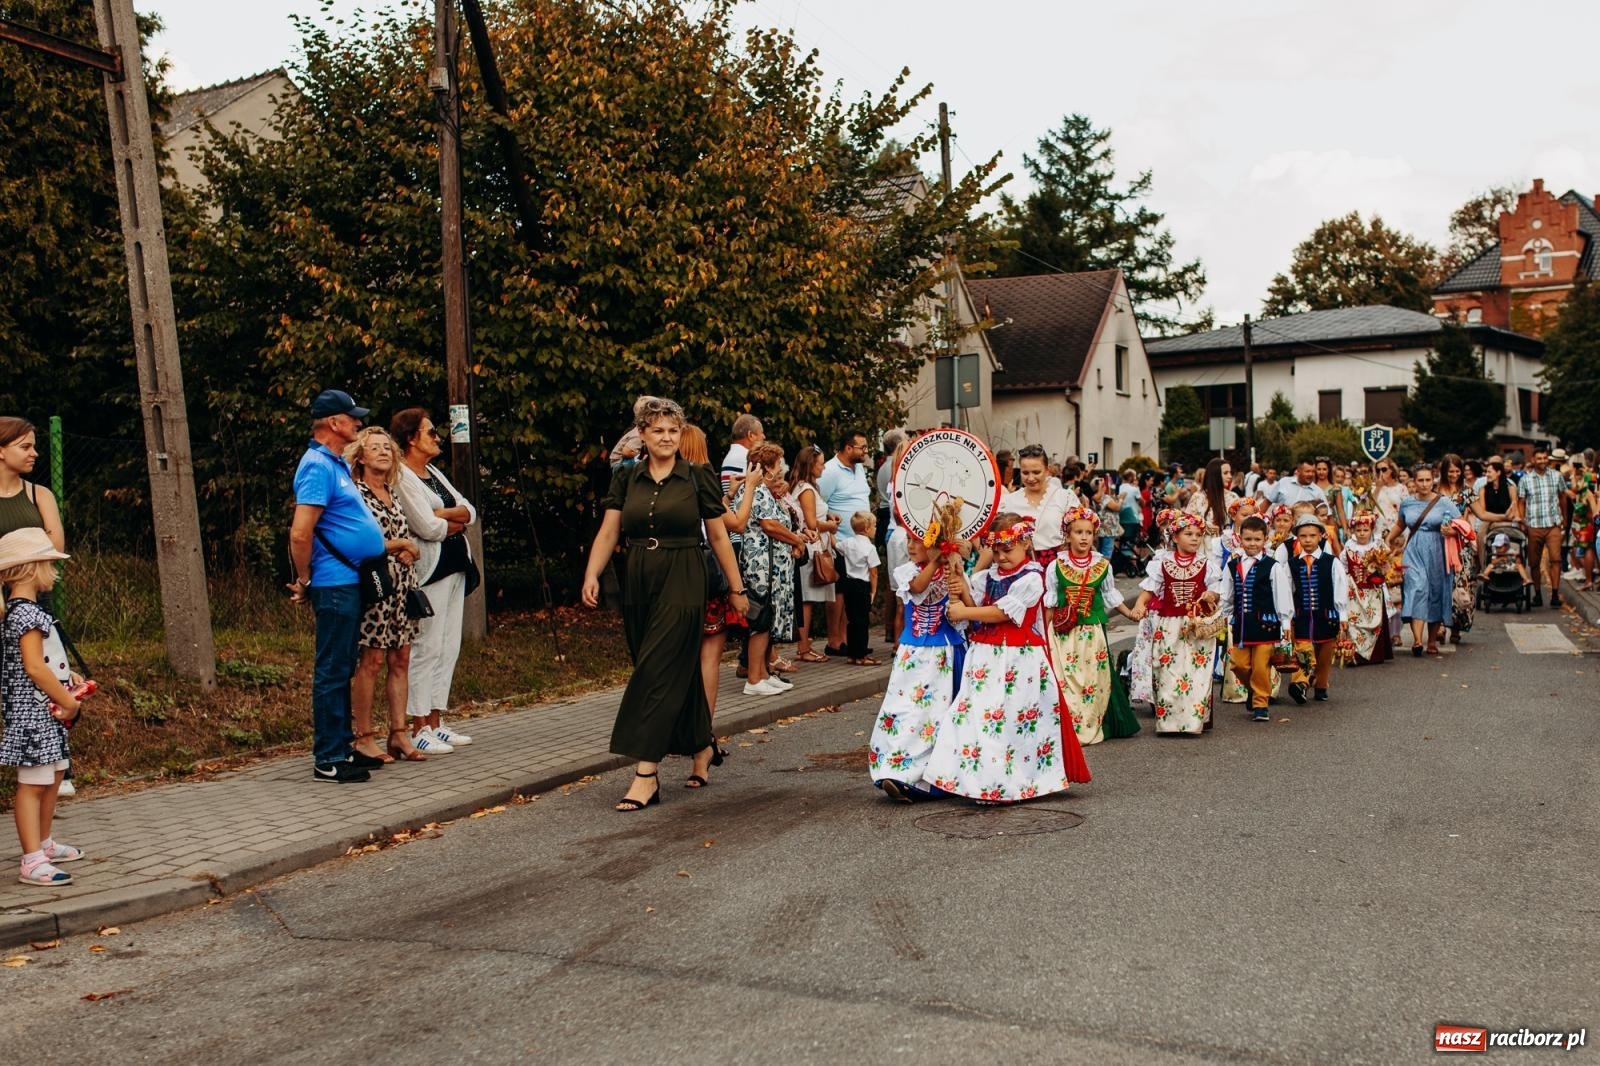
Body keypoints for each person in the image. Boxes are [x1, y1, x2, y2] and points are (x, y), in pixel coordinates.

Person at [580, 398, 747, 810]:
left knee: (655, 668)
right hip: (639, 575)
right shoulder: (627, 478)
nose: (667, 437)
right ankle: (702, 744)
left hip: (684, 575)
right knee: (667, 666)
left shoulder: (697, 476)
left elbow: (720, 536)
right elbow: (608, 532)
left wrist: (736, 588)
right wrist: (591, 573)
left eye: (673, 430)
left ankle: (645, 774)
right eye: (658, 430)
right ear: (642, 434)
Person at [923, 514, 1091, 802]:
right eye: (996, 550)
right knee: (973, 716)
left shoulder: (1032, 578)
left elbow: (1001, 613)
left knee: (1010, 719)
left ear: (1025, 543)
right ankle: (975, 781)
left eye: (1007, 549)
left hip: (1018, 659)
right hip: (985, 657)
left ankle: (1011, 782)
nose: (1000, 556)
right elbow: (978, 607)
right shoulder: (986, 577)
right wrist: (960, 585)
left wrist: (965, 612)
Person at [288, 389, 387, 784]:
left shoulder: (336, 464)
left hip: (348, 581)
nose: (358, 423)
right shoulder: (316, 465)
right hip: (333, 584)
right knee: (331, 670)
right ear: (333, 423)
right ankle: (328, 758)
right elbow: (301, 532)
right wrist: (306, 579)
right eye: (352, 418)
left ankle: (344, 748)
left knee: (343, 665)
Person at [0, 529, 85, 885]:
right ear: (31, 568)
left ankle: (44, 843)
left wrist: (70, 677)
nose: (55, 570)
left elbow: (44, 661)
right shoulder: (26, 616)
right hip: (33, 714)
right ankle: (32, 860)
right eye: (50, 562)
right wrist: (68, 701)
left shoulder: (29, 612)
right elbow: (34, 668)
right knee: (33, 784)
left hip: (45, 712)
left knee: (51, 778)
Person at [392, 408, 479, 754]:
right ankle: (417, 725)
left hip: (457, 565)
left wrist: (444, 514)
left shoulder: (433, 472)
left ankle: (436, 720)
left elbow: (469, 509)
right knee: (426, 646)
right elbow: (425, 528)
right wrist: (449, 520)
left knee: (449, 644)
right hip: (430, 570)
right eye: (430, 432)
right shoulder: (402, 476)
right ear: (411, 438)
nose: (437, 437)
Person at [0, 418, 75, 796]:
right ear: (1, 450)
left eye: (35, 446)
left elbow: (52, 544)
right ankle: (28, 765)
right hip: (6, 600)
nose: (34, 453)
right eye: (25, 446)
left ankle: (59, 764)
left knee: (50, 672)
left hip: (31, 594)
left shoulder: (37, 493)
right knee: (16, 681)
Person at [345, 428, 425, 763]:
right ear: (360, 457)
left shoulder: (393, 491)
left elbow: (405, 536)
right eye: (374, 448)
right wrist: (400, 546)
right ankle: (363, 736)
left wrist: (410, 550)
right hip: (376, 586)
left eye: (387, 448)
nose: (382, 452)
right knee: (372, 660)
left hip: (403, 586)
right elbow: (362, 542)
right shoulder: (356, 494)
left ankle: (398, 733)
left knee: (401, 658)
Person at [869, 534, 966, 803]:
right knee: (904, 711)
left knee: (936, 717)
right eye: (909, 541)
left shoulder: (952, 572)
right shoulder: (906, 572)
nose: (910, 546)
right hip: (913, 654)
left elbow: (967, 606)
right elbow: (917, 587)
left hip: (945, 653)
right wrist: (936, 562)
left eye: (917, 541)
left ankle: (930, 779)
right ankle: (896, 771)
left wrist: (956, 575)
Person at [680, 424, 757, 759]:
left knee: (681, 659)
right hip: (706, 578)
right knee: (708, 658)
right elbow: (734, 524)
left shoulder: (666, 482)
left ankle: (681, 731)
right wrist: (750, 487)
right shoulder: (702, 477)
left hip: (675, 579)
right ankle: (703, 735)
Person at [1043, 507, 1140, 745]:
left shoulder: (1102, 566)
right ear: (1068, 535)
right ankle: (1070, 727)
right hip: (1064, 633)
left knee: (1093, 680)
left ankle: (1091, 723)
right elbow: (1051, 603)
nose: (1084, 537)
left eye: (1088, 532)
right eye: (1078, 532)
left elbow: (1110, 596)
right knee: (1066, 678)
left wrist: (1130, 613)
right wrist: (1043, 635)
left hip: (1092, 632)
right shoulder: (1056, 566)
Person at [1132, 509, 1221, 735]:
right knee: (1168, 672)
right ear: (1174, 537)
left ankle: (1193, 722)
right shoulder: (1162, 562)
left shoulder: (1206, 563)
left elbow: (1217, 588)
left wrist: (1211, 595)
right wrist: (1140, 605)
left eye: (1198, 535)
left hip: (1197, 627)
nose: (1194, 538)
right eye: (1188, 534)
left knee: (1197, 673)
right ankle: (1169, 723)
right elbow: (1150, 588)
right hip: (1169, 624)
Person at [732, 443, 804, 694]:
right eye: (778, 464)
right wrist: (796, 540)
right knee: (760, 620)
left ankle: (763, 672)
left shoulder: (766, 490)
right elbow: (770, 525)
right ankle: (754, 679)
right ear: (767, 468)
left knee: (769, 620)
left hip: (774, 565)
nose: (782, 468)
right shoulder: (757, 491)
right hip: (763, 566)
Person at [1217, 515, 1293, 721]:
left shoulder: (1272, 565)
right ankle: (1253, 689)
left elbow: (1282, 594)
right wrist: (1223, 618)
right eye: (1248, 539)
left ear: (1265, 540)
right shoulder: (1232, 566)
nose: (1252, 544)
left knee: (1261, 666)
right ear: (1240, 539)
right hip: (1242, 624)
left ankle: (1261, 704)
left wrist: (1285, 621)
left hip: (1266, 625)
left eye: (1257, 540)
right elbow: (1227, 594)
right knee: (1238, 665)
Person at [1388, 464, 1462, 657]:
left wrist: (1452, 530)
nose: (1424, 484)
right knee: (1418, 587)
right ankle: (1418, 640)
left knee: (1436, 592)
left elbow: (1463, 525)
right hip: (1413, 550)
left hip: (1438, 550)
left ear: (1433, 480)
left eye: (1428, 480)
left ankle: (1431, 641)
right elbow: (1400, 524)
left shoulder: (1444, 503)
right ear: (1414, 481)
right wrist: (1387, 540)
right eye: (1420, 480)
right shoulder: (1407, 503)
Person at [1280, 515, 1349, 703]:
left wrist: (1342, 615)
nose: (1308, 540)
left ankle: (1321, 684)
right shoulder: (1291, 564)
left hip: (1327, 616)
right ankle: (1300, 684)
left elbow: (1340, 587)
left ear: (1321, 536)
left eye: (1312, 535)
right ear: (1298, 538)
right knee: (1303, 651)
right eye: (1303, 536)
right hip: (1302, 617)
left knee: (1325, 655)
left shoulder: (1332, 562)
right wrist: (1286, 619)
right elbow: (1286, 592)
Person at [818, 430, 873, 655]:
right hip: (840, 541)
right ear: (848, 448)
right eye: (863, 448)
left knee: (853, 593)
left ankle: (848, 639)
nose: (866, 452)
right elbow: (818, 502)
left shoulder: (859, 469)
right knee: (838, 593)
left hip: (860, 543)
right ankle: (834, 640)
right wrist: (831, 521)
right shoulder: (831, 471)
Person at [787, 444, 837, 663]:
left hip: (813, 544)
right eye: (820, 463)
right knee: (806, 600)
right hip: (810, 547)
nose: (824, 468)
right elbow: (810, 522)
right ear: (811, 465)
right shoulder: (806, 489)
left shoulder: (805, 487)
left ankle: (804, 645)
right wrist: (830, 526)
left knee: (808, 599)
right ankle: (803, 647)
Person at [1000, 444, 1075, 565]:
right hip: (1020, 571)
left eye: (1036, 472)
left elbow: (1080, 532)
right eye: (1025, 473)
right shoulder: (1009, 501)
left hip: (1058, 568)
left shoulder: (1065, 498)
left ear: (1047, 470)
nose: (1030, 478)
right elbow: (995, 540)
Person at [1518, 446, 1569, 609]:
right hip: (1533, 524)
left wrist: (1564, 519)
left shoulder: (1557, 476)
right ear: (1533, 460)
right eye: (1539, 458)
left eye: (1545, 458)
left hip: (1552, 523)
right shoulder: (1525, 479)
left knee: (1556, 559)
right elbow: (1521, 502)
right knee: (1533, 562)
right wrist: (1522, 521)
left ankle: (1555, 594)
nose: (1542, 461)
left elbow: (1562, 498)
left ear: (1548, 459)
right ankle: (1538, 594)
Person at [1341, 513, 1394, 667]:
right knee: (1354, 621)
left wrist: (1379, 572)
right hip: (1354, 591)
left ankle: (1374, 654)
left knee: (1374, 621)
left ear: (1371, 530)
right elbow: (1343, 568)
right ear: (1353, 531)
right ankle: (1355, 652)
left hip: (1373, 590)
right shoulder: (1349, 549)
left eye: (1365, 530)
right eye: (1358, 530)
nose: (1362, 533)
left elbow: (1387, 566)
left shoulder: (1378, 547)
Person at [837, 512, 881, 665]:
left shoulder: (848, 542)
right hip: (863, 586)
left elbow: (835, 545)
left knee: (852, 620)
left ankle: (851, 654)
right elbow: (873, 572)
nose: (876, 529)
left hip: (849, 585)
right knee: (862, 622)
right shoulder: (870, 548)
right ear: (867, 528)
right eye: (874, 526)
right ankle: (861, 655)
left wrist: (831, 530)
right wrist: (873, 591)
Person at [609, 395, 661, 468]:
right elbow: (626, 451)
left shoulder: (642, 429)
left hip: (624, 462)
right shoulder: (639, 434)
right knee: (648, 461)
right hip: (619, 464)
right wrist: (643, 456)